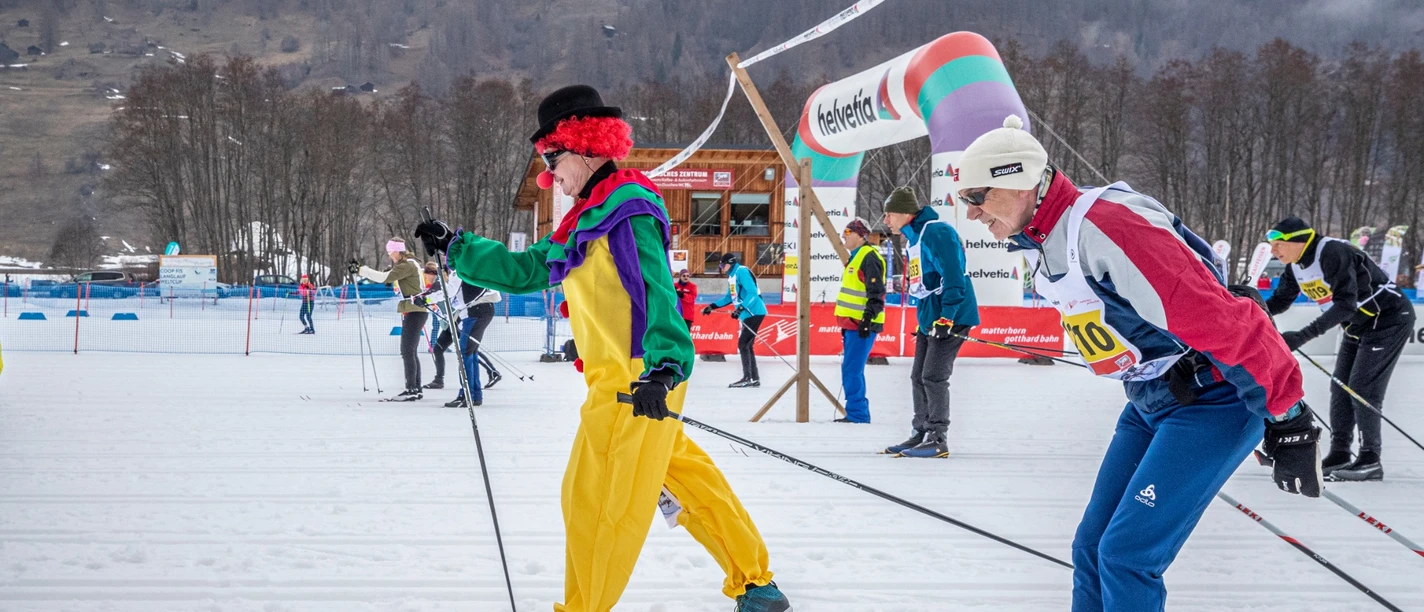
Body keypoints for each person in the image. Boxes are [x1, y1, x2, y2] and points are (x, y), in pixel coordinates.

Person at [414, 85, 788, 612]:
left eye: (552, 159)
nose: (549, 176)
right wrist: (456, 245)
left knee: (594, 500)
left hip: (635, 383)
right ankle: (755, 583)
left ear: (585, 146)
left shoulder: (627, 206)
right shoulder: (584, 214)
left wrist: (662, 368)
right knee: (688, 481)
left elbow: (656, 289)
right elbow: (528, 269)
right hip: (629, 380)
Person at [956, 115, 1316, 610]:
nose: (971, 213)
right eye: (963, 200)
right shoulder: (1043, 238)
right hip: (1152, 399)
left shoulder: (1107, 225)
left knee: (1127, 556)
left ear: (1018, 182)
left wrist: (1289, 418)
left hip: (1212, 399)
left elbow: (1227, 322)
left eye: (976, 197)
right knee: (1091, 548)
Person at [1265, 216, 1415, 481]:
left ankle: (1370, 458)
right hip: (1356, 326)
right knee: (1340, 386)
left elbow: (1346, 304)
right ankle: (1340, 452)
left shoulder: (1332, 251)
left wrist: (1301, 336)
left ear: (1298, 241)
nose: (1273, 251)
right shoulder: (1295, 265)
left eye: (1279, 244)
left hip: (1388, 319)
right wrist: (1247, 308)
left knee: (1361, 389)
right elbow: (1279, 301)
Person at [879, 187, 978, 458]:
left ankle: (937, 437)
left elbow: (954, 277)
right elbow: (925, 285)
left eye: (889, 215)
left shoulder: (936, 232)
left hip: (951, 316)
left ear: (904, 213)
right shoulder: (913, 238)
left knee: (933, 376)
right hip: (931, 318)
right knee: (918, 376)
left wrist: (947, 316)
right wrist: (926, 320)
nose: (886, 221)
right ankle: (920, 432)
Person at [349, 239, 426, 401]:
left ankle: (411, 389)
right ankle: (416, 388)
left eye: (391, 252)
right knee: (411, 351)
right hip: (415, 310)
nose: (390, 255)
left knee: (407, 351)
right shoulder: (410, 263)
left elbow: (383, 278)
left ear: (398, 251)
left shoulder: (407, 265)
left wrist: (361, 270)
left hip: (414, 310)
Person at [416, 266, 500, 407]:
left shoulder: (461, 267)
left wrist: (426, 299)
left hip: (475, 311)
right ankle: (474, 395)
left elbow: (450, 291)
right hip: (480, 310)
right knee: (470, 352)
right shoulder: (469, 266)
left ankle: (466, 395)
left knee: (465, 353)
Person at [833, 218, 885, 424]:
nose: (843, 235)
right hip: (852, 324)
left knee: (852, 369)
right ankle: (856, 411)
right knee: (851, 368)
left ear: (859, 234)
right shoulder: (856, 258)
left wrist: (867, 318)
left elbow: (877, 292)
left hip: (861, 324)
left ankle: (858, 413)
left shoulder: (868, 257)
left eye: (847, 231)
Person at [703, 253, 768, 388]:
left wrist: (741, 308)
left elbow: (752, 293)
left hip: (754, 312)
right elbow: (728, 298)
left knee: (743, 344)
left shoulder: (741, 272)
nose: (721, 268)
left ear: (730, 263)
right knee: (747, 345)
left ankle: (748, 378)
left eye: (722, 265)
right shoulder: (732, 277)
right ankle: (753, 378)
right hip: (747, 314)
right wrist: (712, 306)